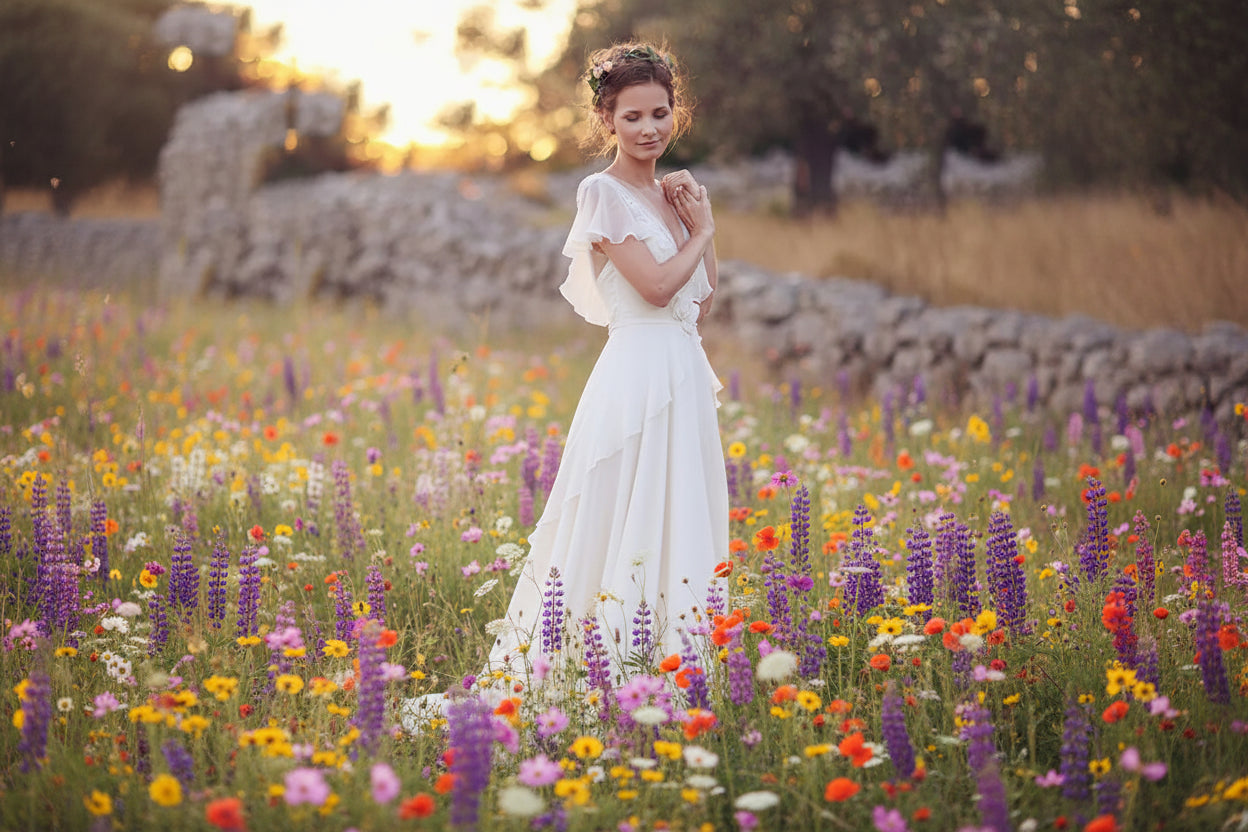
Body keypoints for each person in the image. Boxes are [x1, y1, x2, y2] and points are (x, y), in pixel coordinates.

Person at [401, 42, 728, 727]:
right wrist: (707, 229)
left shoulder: (669, 196)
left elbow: (700, 297)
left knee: (677, 514)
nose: (649, 128)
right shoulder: (601, 193)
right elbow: (657, 284)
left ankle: (674, 677)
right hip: (636, 375)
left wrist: (696, 222)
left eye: (661, 113)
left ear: (677, 114)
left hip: (682, 373)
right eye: (633, 115)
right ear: (607, 118)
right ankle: (599, 674)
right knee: (617, 518)